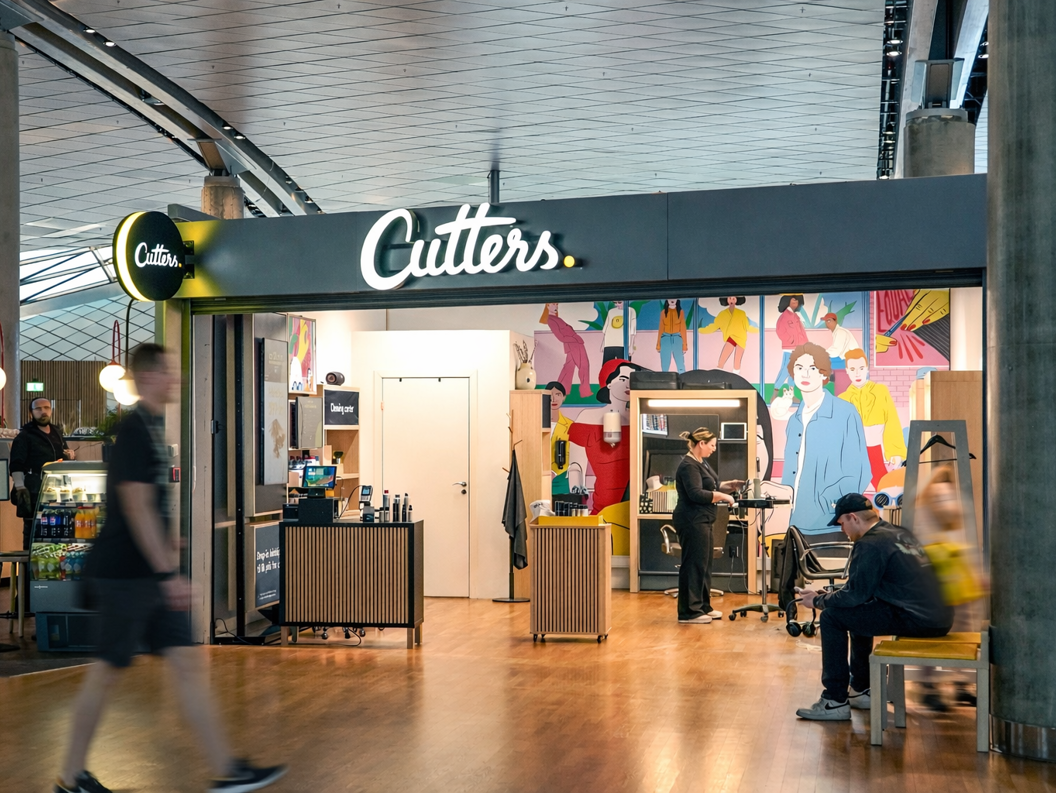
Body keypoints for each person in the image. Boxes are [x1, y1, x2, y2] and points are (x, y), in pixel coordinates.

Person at [56, 344, 286, 793]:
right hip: (127, 576)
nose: (174, 379)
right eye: (165, 372)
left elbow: (146, 509)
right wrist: (168, 573)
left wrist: (169, 546)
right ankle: (69, 778)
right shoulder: (136, 430)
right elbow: (136, 507)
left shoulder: (152, 427)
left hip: (147, 575)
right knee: (105, 674)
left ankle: (227, 769)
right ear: (145, 378)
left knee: (187, 664)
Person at [795, 493, 953, 721]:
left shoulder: (870, 543)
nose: (842, 531)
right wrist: (827, 594)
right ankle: (860, 689)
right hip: (938, 616)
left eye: (842, 524)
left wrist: (818, 601)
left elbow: (854, 596)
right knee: (857, 612)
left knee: (831, 617)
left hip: (918, 619)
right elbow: (862, 592)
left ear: (853, 518)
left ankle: (834, 701)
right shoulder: (897, 533)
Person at [780, 343, 871, 535]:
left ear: (823, 374)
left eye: (812, 368)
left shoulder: (845, 412)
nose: (805, 374)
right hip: (793, 523)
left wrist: (830, 502)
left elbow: (860, 471)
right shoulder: (794, 421)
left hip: (830, 523)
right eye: (799, 368)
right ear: (793, 374)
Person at [672, 427, 743, 624]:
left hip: (703, 520)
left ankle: (703, 606)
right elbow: (696, 493)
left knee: (704, 563)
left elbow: (712, 484)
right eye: (711, 445)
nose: (713, 449)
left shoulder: (701, 463)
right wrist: (722, 496)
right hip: (691, 520)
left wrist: (730, 485)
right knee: (693, 564)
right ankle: (689, 612)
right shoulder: (688, 466)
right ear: (701, 444)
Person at [568, 359, 642, 514]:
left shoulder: (641, 416)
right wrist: (577, 500)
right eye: (623, 379)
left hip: (637, 505)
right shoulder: (587, 418)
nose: (628, 385)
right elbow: (576, 465)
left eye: (633, 380)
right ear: (608, 383)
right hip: (603, 508)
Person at [11, 396, 75, 550]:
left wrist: (67, 455)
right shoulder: (25, 436)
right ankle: (28, 572)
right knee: (33, 532)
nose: (43, 412)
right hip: (33, 489)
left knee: (57, 531)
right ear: (30, 413)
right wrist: (20, 487)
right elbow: (16, 464)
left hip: (58, 490)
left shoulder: (56, 432)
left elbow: (61, 455)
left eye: (46, 408)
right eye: (38, 409)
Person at [839, 349, 906, 489]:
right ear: (847, 371)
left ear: (867, 368)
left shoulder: (881, 391)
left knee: (883, 487)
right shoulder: (842, 399)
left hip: (876, 448)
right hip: (854, 451)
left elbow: (891, 421)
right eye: (852, 369)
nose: (857, 373)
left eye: (861, 368)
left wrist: (895, 452)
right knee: (851, 490)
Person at [541, 303, 592, 398]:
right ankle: (585, 391)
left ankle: (560, 390)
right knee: (583, 366)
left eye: (556, 304)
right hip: (574, 344)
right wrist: (576, 339)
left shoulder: (556, 319)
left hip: (573, 344)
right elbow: (561, 337)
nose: (556, 306)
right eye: (553, 304)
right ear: (547, 306)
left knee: (569, 367)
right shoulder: (551, 320)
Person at [699, 296, 756, 373]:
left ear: (736, 300)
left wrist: (759, 330)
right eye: (730, 298)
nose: (731, 300)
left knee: (737, 360)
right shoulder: (722, 314)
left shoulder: (742, 313)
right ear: (727, 300)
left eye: (733, 298)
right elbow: (714, 326)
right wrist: (701, 330)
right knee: (723, 359)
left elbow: (747, 327)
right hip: (731, 337)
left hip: (741, 338)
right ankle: (718, 372)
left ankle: (736, 376)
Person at [772, 294, 807, 397]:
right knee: (786, 370)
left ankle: (791, 394)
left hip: (798, 348)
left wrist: (806, 345)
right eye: (798, 302)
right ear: (792, 301)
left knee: (794, 371)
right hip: (789, 348)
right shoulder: (784, 316)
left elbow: (802, 332)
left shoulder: (796, 317)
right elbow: (780, 331)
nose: (799, 305)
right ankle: (776, 391)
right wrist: (791, 340)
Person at [545, 381, 573, 494]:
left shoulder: (570, 425)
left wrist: (553, 473)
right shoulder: (536, 423)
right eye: (550, 394)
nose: (554, 398)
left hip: (560, 477)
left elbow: (569, 453)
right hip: (537, 475)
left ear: (564, 397)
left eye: (558, 394)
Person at [656, 299, 688, 373]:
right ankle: (665, 380)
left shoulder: (680, 312)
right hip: (665, 338)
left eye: (674, 298)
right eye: (670, 298)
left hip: (677, 338)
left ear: (677, 300)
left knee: (680, 362)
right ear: (667, 300)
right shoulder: (663, 313)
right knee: (665, 363)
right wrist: (658, 345)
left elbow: (683, 328)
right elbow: (661, 328)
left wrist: (684, 345)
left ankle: (682, 380)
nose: (672, 300)